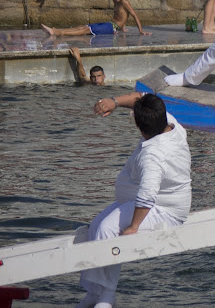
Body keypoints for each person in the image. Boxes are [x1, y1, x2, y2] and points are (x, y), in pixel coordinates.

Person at [76, 92, 191, 308]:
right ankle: (95, 292)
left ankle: (106, 296)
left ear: (139, 127)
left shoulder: (154, 155)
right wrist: (115, 102)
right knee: (96, 226)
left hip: (164, 209)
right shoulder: (171, 124)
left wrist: (134, 226)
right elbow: (143, 96)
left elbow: (148, 194)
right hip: (153, 201)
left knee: (106, 231)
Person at [41, 0, 150, 36]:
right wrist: (123, 27)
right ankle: (56, 30)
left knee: (86, 30)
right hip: (110, 24)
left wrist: (141, 31)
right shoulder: (115, 1)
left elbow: (134, 15)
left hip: (113, 28)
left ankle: (57, 32)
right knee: (84, 26)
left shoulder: (124, 2)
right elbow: (121, 15)